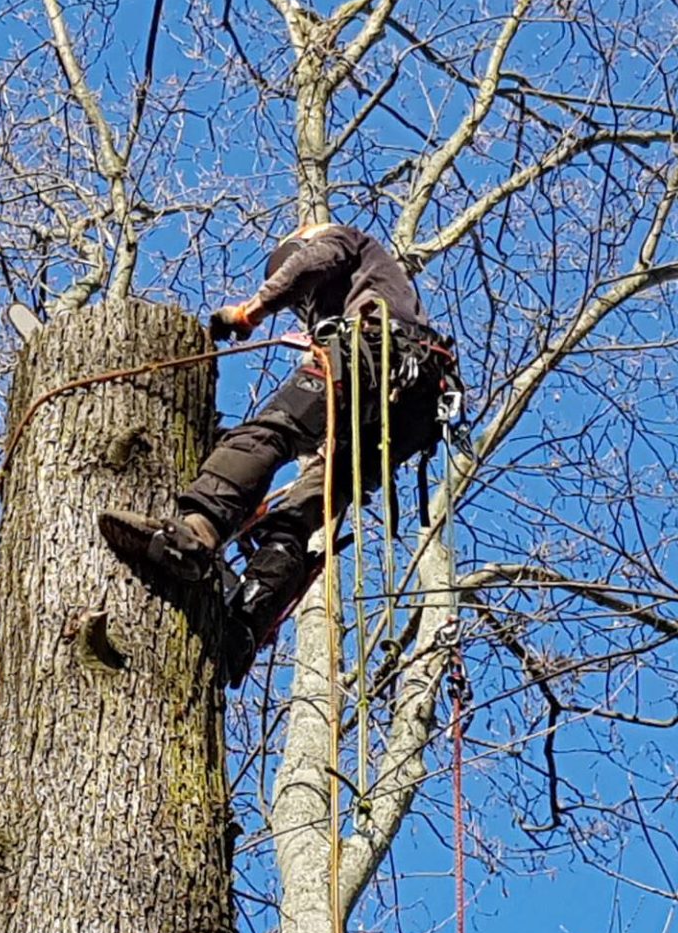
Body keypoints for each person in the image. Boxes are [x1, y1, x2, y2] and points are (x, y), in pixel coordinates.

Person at [99, 221, 460, 684]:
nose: (307, 310)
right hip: (410, 410)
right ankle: (245, 626)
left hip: (375, 353)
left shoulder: (343, 242)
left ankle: (194, 535)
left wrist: (250, 311)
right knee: (297, 515)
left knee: (274, 430)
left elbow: (312, 264)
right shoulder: (387, 295)